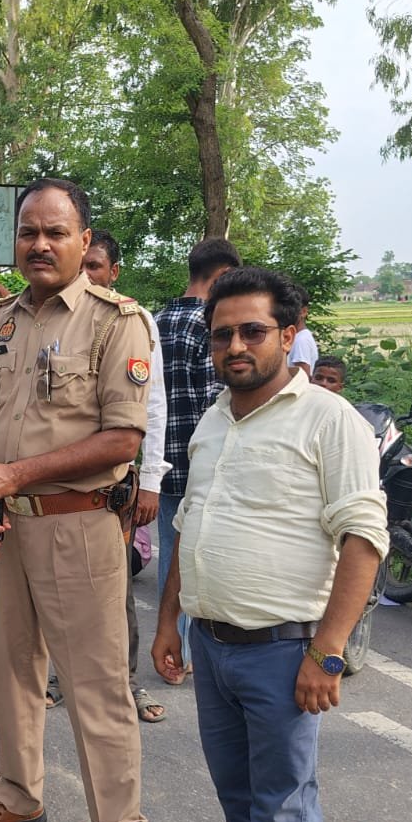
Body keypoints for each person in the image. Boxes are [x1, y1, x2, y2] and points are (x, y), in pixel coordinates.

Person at [152, 266, 387, 822]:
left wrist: (328, 651)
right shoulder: (215, 420)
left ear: (290, 333)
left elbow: (363, 540)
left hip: (288, 652)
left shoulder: (330, 420)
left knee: (284, 812)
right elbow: (190, 521)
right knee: (238, 796)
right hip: (214, 645)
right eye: (222, 334)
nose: (235, 346)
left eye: (253, 331)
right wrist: (169, 621)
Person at [0, 177, 152, 822]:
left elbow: (121, 437)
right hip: (6, 525)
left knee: (96, 689)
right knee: (9, 672)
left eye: (56, 232)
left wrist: (14, 474)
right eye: (29, 231)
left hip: (79, 525)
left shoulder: (116, 321)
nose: (40, 244)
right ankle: (18, 795)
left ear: (83, 241)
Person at [82, 228, 172, 724]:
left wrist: (152, 479)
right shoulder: (50, 316)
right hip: (55, 484)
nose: (87, 276)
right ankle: (58, 677)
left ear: (114, 272)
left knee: (116, 590)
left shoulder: (133, 321)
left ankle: (127, 683)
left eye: (96, 266)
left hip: (113, 482)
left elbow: (151, 406)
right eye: (83, 266)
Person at [156, 238, 240, 685]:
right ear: (223, 275)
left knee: (172, 552)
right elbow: (217, 400)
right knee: (197, 554)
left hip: (161, 459)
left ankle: (175, 645)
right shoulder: (207, 326)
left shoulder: (156, 320)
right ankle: (188, 650)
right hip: (201, 459)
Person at [287, 290, 318, 378]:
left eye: (291, 309)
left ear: (303, 311)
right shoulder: (296, 337)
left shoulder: (301, 341)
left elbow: (302, 378)